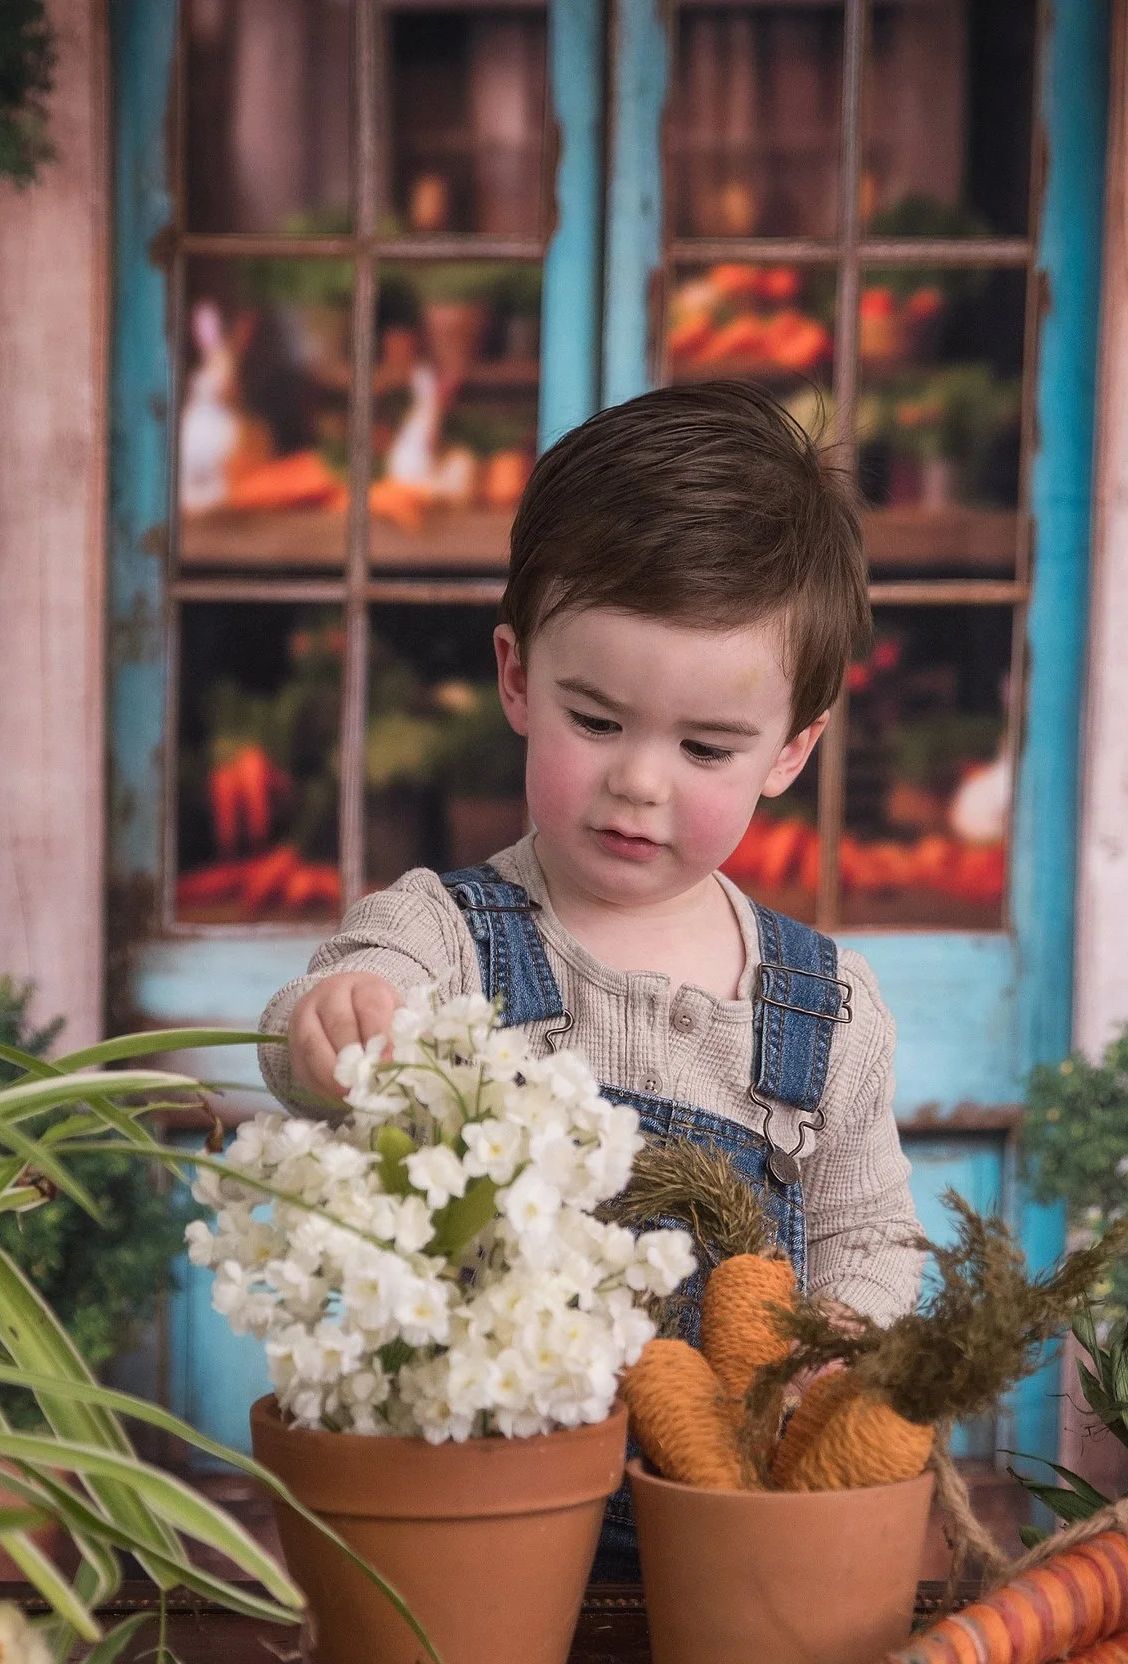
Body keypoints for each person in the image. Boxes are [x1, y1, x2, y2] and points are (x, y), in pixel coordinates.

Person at [259, 380, 923, 1565]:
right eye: (598, 720)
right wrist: (332, 1021)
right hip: (470, 1521)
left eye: (705, 746)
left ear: (793, 749)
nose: (640, 782)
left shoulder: (827, 1011)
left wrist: (842, 1343)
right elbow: (323, 1022)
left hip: (728, 1531)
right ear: (517, 678)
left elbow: (869, 1228)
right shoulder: (448, 937)